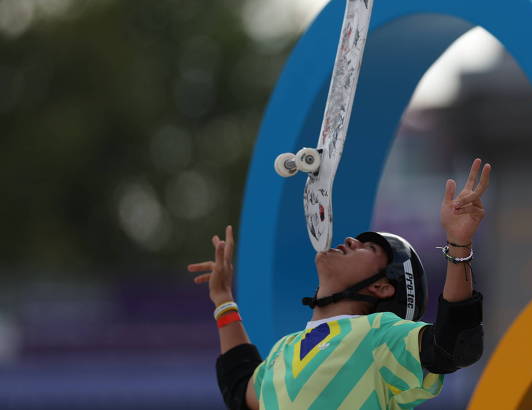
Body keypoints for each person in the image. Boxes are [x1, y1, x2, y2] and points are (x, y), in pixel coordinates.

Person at [188, 159, 492, 409]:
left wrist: (459, 243)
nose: (349, 239)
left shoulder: (379, 336)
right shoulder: (283, 351)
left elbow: (456, 345)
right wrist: (223, 299)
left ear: (382, 287)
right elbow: (239, 389)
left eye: (368, 248)